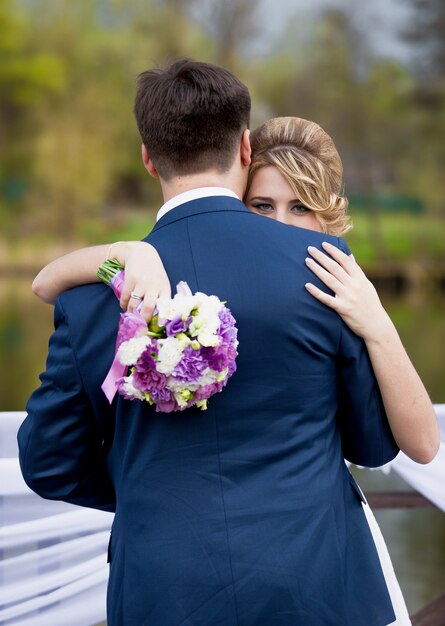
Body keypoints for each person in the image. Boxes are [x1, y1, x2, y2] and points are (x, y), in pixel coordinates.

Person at [17, 59, 434, 626]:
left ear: (147, 157)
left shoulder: (93, 297)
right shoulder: (325, 272)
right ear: (244, 148)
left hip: (162, 594)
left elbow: (47, 463)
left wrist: (152, 492)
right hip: (316, 589)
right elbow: (373, 447)